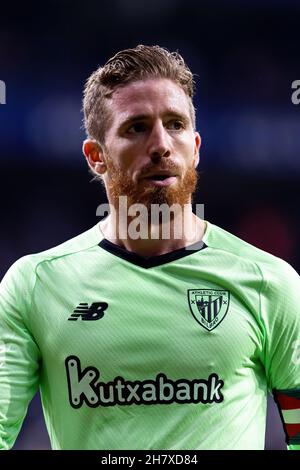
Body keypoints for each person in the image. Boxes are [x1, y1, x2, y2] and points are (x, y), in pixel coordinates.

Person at [0, 45, 300, 451]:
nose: (160, 144)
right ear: (96, 157)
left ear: (195, 147)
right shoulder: (36, 283)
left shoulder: (270, 282)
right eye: (136, 128)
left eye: (175, 125)